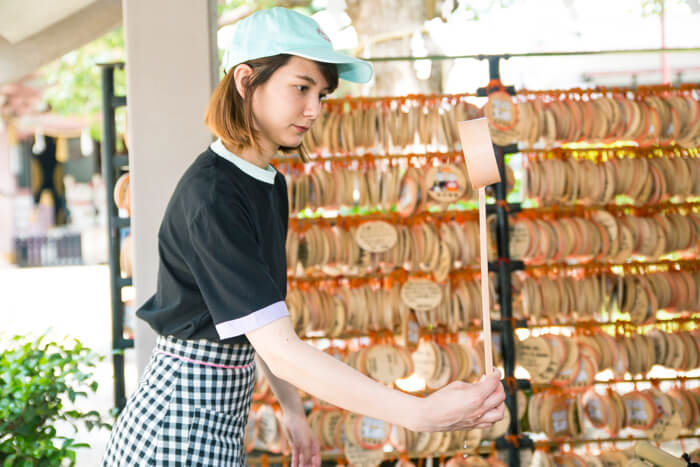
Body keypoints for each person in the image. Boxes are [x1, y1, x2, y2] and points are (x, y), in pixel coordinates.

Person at [102, 7, 505, 467]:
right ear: (245, 80)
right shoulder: (213, 196)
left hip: (213, 419)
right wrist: (419, 413)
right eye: (301, 87)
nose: (314, 109)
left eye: (322, 94)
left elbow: (265, 322)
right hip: (174, 430)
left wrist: (292, 411)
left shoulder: (266, 183)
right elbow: (281, 350)